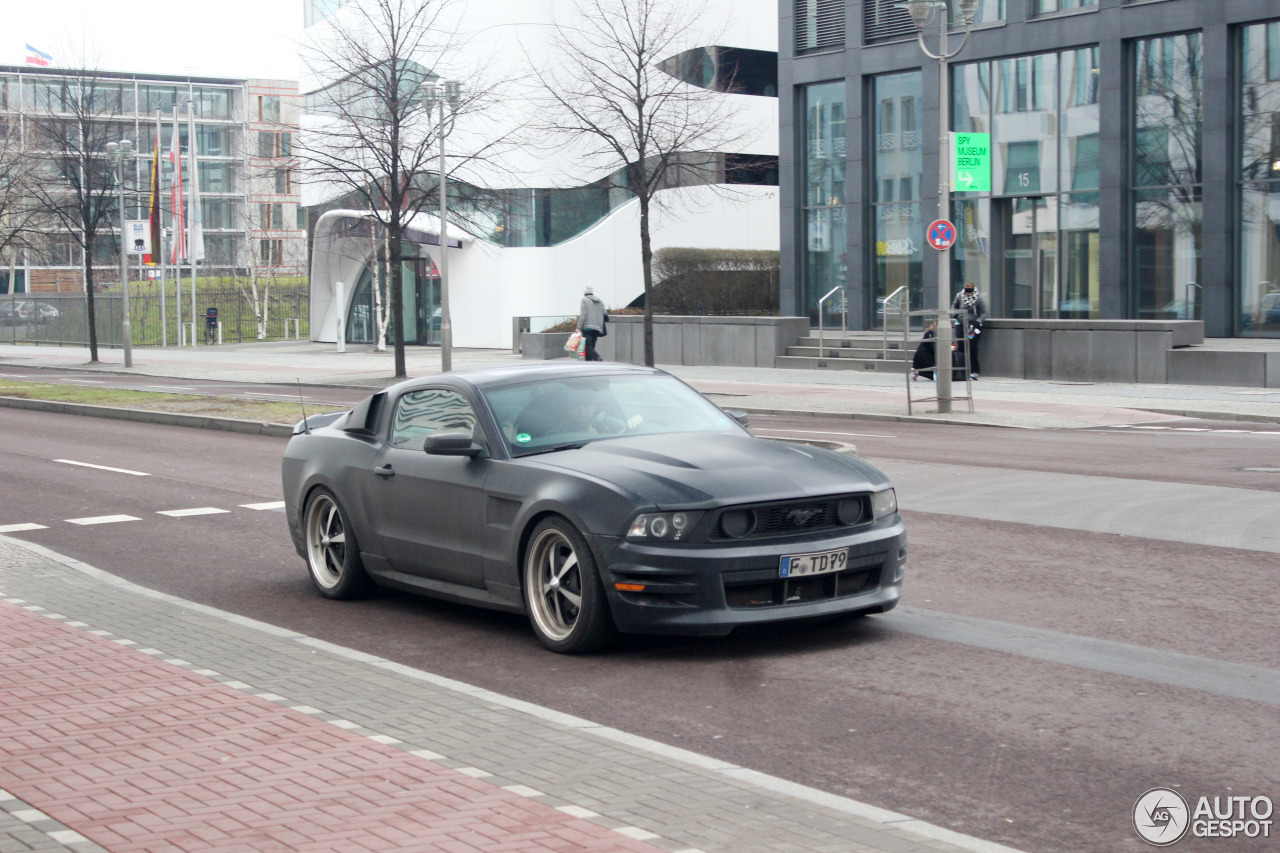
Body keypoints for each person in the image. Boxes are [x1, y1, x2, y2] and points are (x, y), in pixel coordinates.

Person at [952, 281, 988, 378]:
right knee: (961, 347)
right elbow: (954, 307)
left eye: (969, 291)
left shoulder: (978, 298)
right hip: (960, 323)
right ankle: (961, 369)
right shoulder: (959, 296)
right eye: (966, 291)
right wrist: (955, 315)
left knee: (972, 347)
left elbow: (985, 313)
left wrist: (977, 321)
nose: (967, 293)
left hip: (974, 325)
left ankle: (974, 370)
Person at [577, 286, 608, 362]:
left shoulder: (584, 300)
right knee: (591, 347)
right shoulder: (600, 301)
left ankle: (597, 357)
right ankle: (589, 363)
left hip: (587, 327)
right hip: (597, 328)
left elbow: (583, 315)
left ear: (585, 294)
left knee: (587, 347)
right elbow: (605, 313)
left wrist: (579, 327)